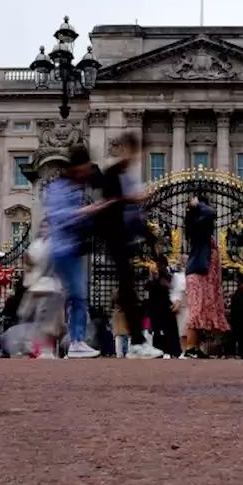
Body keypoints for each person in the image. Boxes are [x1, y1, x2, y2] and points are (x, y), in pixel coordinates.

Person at [99, 133, 163, 359]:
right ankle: (137, 341)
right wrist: (130, 199)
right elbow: (108, 203)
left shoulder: (127, 176)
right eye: (132, 151)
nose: (135, 156)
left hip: (126, 239)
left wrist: (152, 239)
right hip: (115, 238)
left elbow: (135, 217)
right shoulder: (112, 174)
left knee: (128, 292)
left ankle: (137, 341)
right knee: (128, 292)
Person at [46, 145, 108, 359]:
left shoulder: (77, 188)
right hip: (62, 249)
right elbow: (58, 216)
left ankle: (73, 340)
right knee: (77, 296)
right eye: (85, 167)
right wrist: (86, 211)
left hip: (72, 248)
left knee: (75, 296)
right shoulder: (58, 188)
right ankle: (75, 341)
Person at [183, 195, 229, 359]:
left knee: (201, 309)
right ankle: (190, 348)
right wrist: (199, 204)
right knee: (196, 309)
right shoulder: (197, 226)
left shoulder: (202, 230)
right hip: (198, 273)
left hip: (204, 275)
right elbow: (211, 212)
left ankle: (195, 347)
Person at [12, 223, 67, 359]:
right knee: (27, 314)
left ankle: (49, 349)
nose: (44, 230)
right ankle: (34, 346)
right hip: (37, 286)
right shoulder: (36, 244)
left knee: (49, 321)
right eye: (42, 227)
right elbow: (29, 267)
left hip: (51, 286)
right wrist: (28, 262)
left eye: (47, 227)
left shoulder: (55, 244)